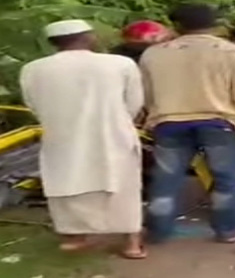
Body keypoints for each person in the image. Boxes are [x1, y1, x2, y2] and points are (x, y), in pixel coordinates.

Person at [139, 4, 235, 244]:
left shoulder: (153, 54)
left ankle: (157, 232)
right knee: (226, 179)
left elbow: (147, 94)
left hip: (169, 123)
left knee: (166, 179)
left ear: (176, 25)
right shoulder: (233, 52)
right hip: (219, 123)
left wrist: (152, 118)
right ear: (215, 24)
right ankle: (229, 230)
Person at [19, 20, 146, 258]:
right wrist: (118, 120)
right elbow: (134, 102)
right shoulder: (120, 64)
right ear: (89, 38)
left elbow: (33, 104)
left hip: (62, 136)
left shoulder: (33, 68)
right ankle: (132, 244)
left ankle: (73, 238)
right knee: (122, 187)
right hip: (113, 134)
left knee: (67, 184)